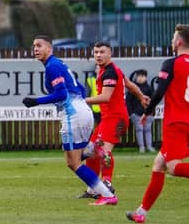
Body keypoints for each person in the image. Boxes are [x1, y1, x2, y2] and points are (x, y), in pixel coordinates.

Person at [126, 24, 189, 224]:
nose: (172, 42)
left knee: (173, 167)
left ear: (179, 42)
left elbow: (160, 91)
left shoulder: (171, 63)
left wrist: (147, 111)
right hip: (188, 123)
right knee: (158, 165)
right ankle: (141, 213)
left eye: (174, 38)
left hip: (175, 124)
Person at [22, 35, 118, 206]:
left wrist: (35, 101)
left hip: (73, 115)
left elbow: (61, 94)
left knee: (73, 162)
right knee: (76, 155)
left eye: (39, 46)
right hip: (81, 110)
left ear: (49, 48)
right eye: (34, 46)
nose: (35, 49)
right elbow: (80, 88)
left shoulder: (52, 66)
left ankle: (106, 194)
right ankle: (97, 151)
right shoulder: (59, 64)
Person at [81, 42, 150, 200]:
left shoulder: (110, 72)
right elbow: (130, 85)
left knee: (104, 152)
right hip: (108, 118)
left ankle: (107, 184)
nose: (98, 55)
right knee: (91, 151)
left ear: (110, 54)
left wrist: (82, 101)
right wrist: (141, 97)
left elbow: (105, 97)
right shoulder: (112, 70)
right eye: (96, 52)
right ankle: (93, 189)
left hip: (116, 119)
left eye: (102, 52)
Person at [126, 69, 156, 153]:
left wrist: (152, 111)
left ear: (146, 78)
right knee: (139, 129)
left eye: (142, 76)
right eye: (138, 76)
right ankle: (142, 147)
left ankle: (149, 146)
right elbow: (128, 101)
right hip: (136, 113)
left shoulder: (149, 88)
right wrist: (131, 113)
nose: (140, 78)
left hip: (148, 113)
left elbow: (154, 100)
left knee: (148, 129)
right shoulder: (133, 89)